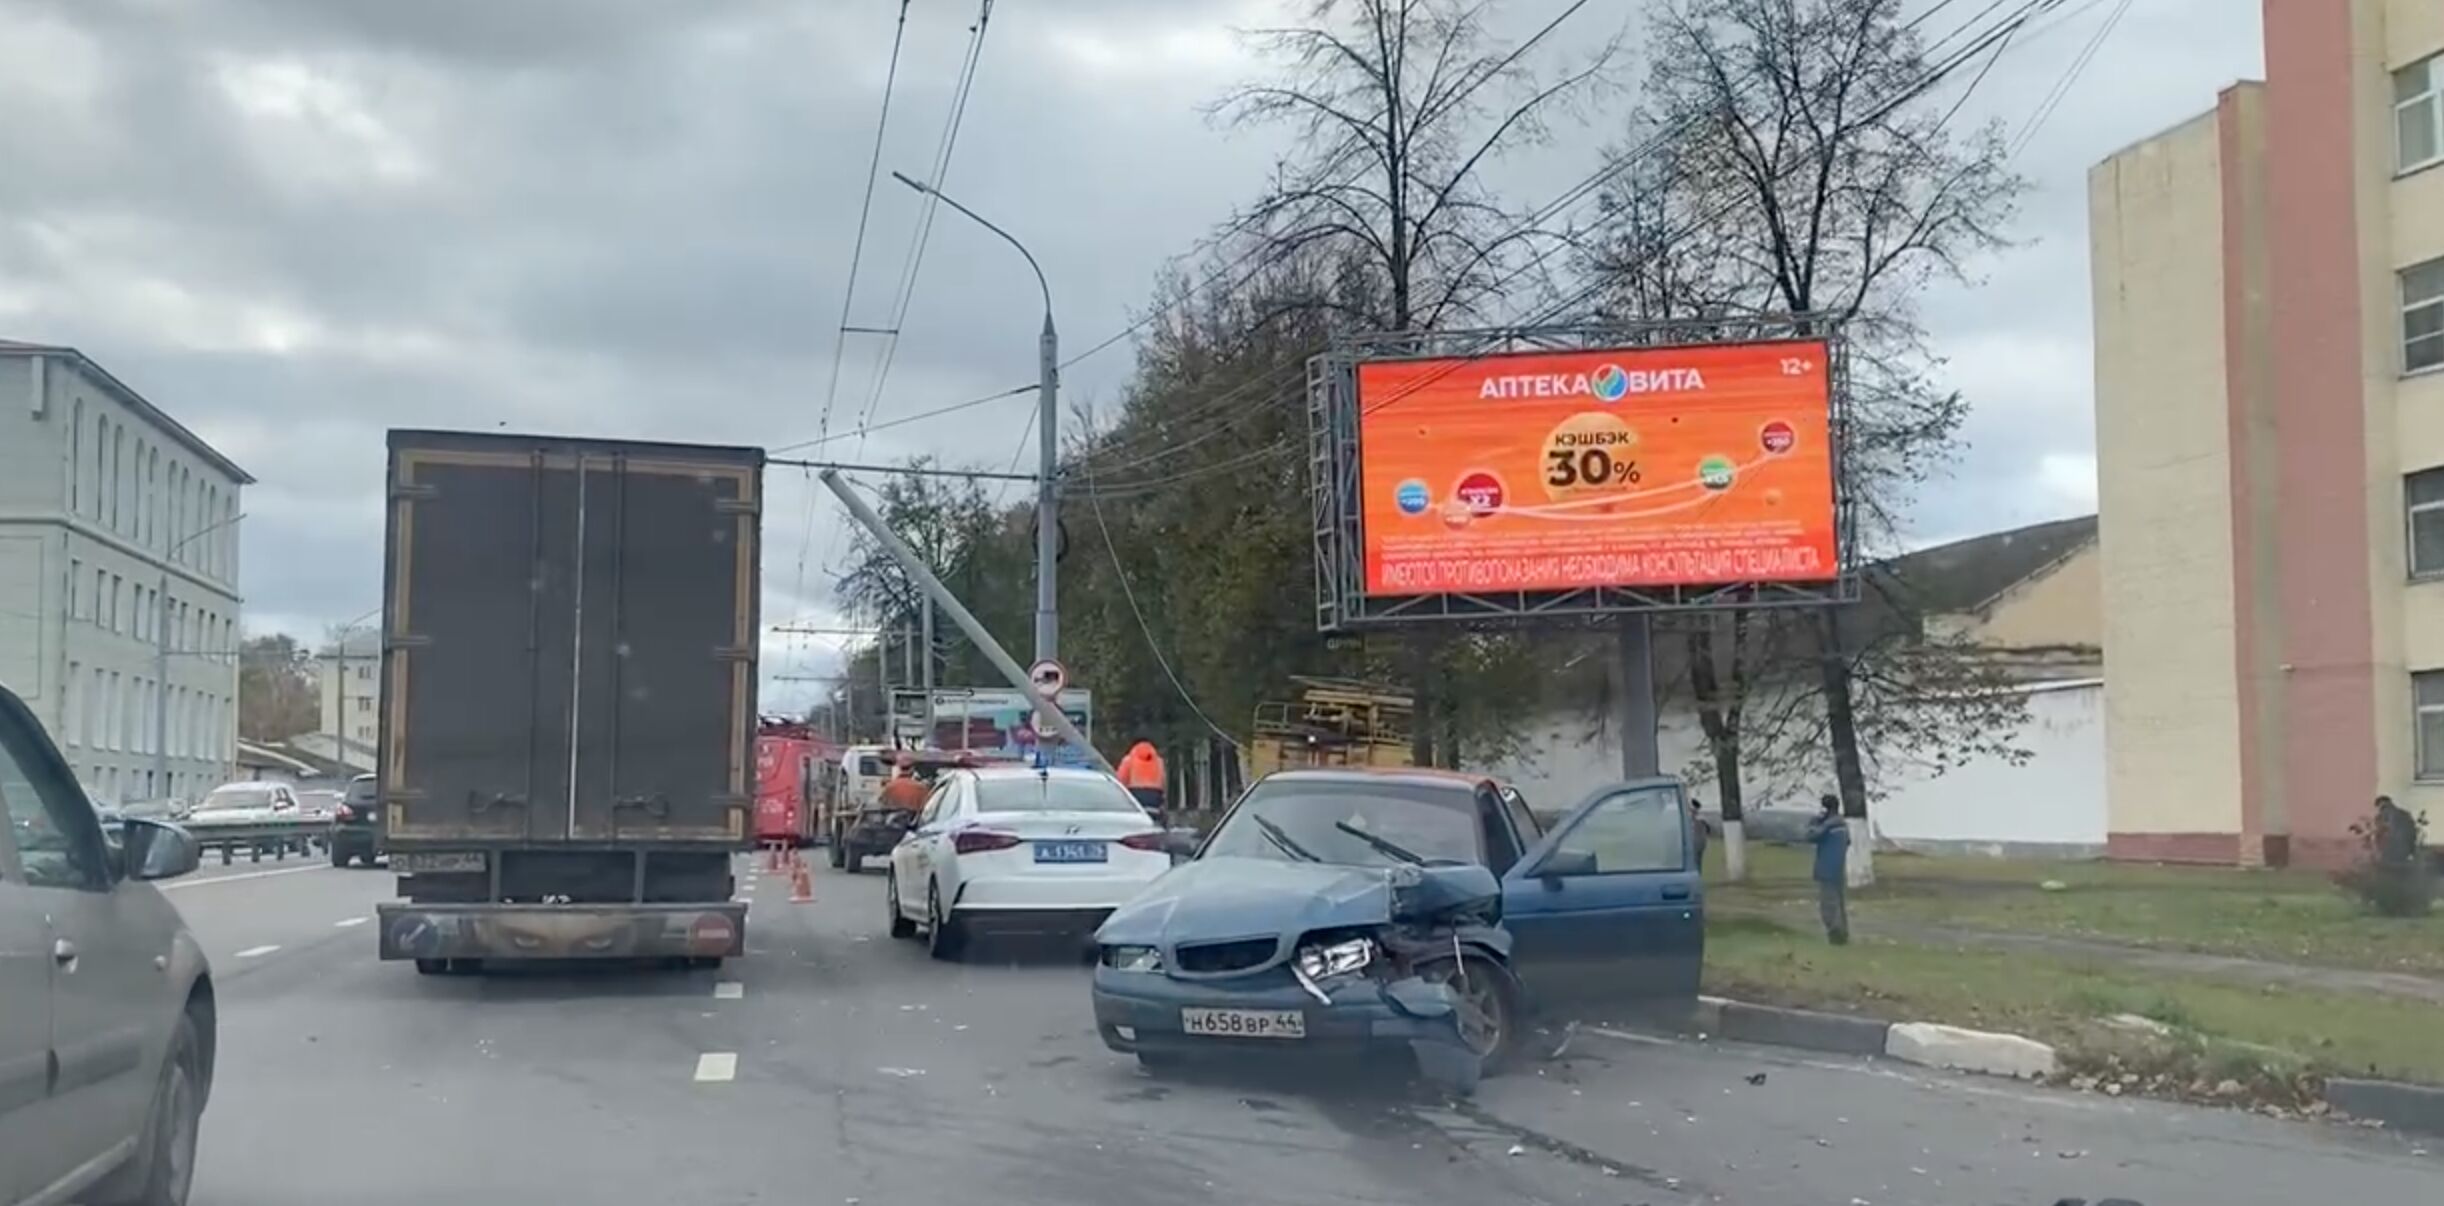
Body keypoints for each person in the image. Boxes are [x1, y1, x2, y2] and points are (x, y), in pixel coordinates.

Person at [1806, 792, 1851, 945]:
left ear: (1826, 809)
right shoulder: (1842, 825)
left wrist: (1814, 823)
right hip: (1839, 869)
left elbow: (1810, 836)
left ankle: (1835, 934)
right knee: (1839, 903)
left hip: (1826, 869)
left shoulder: (1828, 826)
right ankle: (1843, 933)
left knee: (1828, 905)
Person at [1116, 740, 1167, 820]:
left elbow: (1120, 780)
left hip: (1135, 793)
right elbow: (1163, 780)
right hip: (1155, 794)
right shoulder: (1158, 761)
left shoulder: (1128, 760)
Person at [1688, 796, 1710, 871]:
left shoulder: (1698, 818)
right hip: (1701, 843)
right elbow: (1708, 830)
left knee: (1696, 861)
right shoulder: (1702, 817)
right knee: (1698, 861)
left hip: (1696, 842)